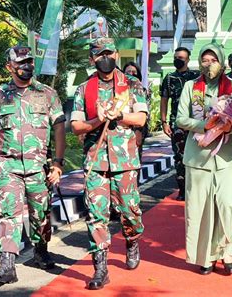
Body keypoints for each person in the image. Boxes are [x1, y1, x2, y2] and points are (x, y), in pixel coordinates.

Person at [0, 46, 66, 284]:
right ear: (9, 67)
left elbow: (59, 127)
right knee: (9, 214)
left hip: (40, 167)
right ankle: (7, 265)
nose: (26, 65)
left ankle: (40, 250)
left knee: (41, 215)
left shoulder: (47, 93)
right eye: (21, 62)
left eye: (29, 61)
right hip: (8, 167)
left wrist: (58, 163)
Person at [71, 38, 147, 289]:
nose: (105, 57)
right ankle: (100, 268)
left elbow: (141, 119)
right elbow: (76, 127)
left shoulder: (132, 85)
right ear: (92, 58)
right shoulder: (84, 88)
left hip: (124, 160)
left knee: (130, 210)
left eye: (109, 53)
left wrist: (121, 115)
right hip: (96, 161)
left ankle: (132, 239)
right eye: (99, 54)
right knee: (96, 215)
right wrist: (96, 119)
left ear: (116, 54)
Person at [176, 43, 232, 275]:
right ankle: (206, 256)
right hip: (198, 158)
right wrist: (204, 125)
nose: (208, 64)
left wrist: (227, 126)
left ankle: (227, 252)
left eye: (213, 60)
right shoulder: (190, 87)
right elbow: (180, 119)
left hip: (228, 157)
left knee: (228, 207)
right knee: (200, 209)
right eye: (204, 60)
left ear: (222, 62)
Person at [160, 47, 200, 201]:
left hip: (196, 123)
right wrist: (164, 122)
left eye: (182, 57)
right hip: (177, 124)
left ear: (188, 59)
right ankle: (182, 189)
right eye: (176, 57)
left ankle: (196, 187)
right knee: (180, 156)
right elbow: (164, 101)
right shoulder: (169, 78)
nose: (178, 60)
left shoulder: (196, 77)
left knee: (197, 155)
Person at [123, 62, 148, 173]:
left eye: (134, 72)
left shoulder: (142, 90)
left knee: (135, 163)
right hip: (123, 131)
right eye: (128, 72)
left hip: (137, 129)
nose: (131, 74)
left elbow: (144, 115)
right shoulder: (120, 89)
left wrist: (139, 132)